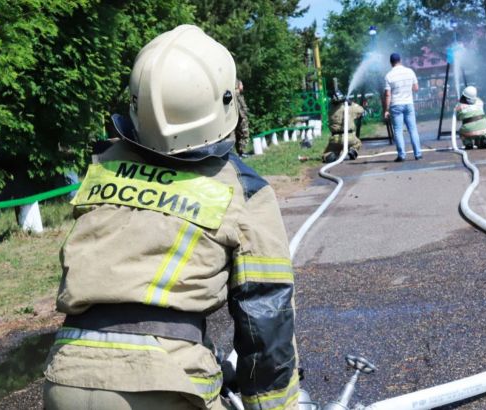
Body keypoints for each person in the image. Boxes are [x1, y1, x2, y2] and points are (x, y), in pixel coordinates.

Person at [43, 25, 300, 410]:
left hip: (66, 377)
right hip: (165, 382)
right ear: (226, 100)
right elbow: (266, 318)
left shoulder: (104, 167)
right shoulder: (244, 189)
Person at [384, 52, 422, 162]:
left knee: (398, 131)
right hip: (408, 103)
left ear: (391, 63)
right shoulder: (410, 71)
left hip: (396, 105)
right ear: (400, 60)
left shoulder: (389, 75)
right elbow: (416, 88)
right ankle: (418, 154)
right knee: (413, 129)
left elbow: (387, 94)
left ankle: (401, 155)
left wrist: (386, 110)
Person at [322, 91, 364, 163]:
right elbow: (361, 110)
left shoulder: (331, 110)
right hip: (350, 138)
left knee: (328, 153)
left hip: (335, 139)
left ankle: (331, 155)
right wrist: (351, 103)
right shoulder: (350, 108)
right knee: (357, 143)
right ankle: (353, 150)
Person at [234, 79, 251, 156]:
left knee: (239, 135)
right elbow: (239, 107)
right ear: (238, 86)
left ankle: (240, 152)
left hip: (239, 118)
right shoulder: (237, 95)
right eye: (241, 84)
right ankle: (241, 152)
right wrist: (243, 117)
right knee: (244, 134)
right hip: (241, 119)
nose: (243, 86)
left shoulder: (236, 95)